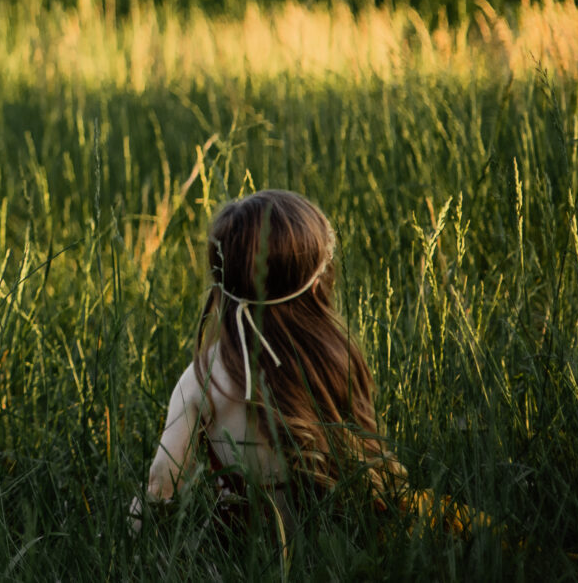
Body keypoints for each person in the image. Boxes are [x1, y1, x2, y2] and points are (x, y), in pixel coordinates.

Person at [138, 189, 403, 540]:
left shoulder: (206, 378)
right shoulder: (336, 358)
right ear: (315, 282)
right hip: (344, 541)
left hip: (250, 553)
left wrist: (130, 547)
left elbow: (162, 485)